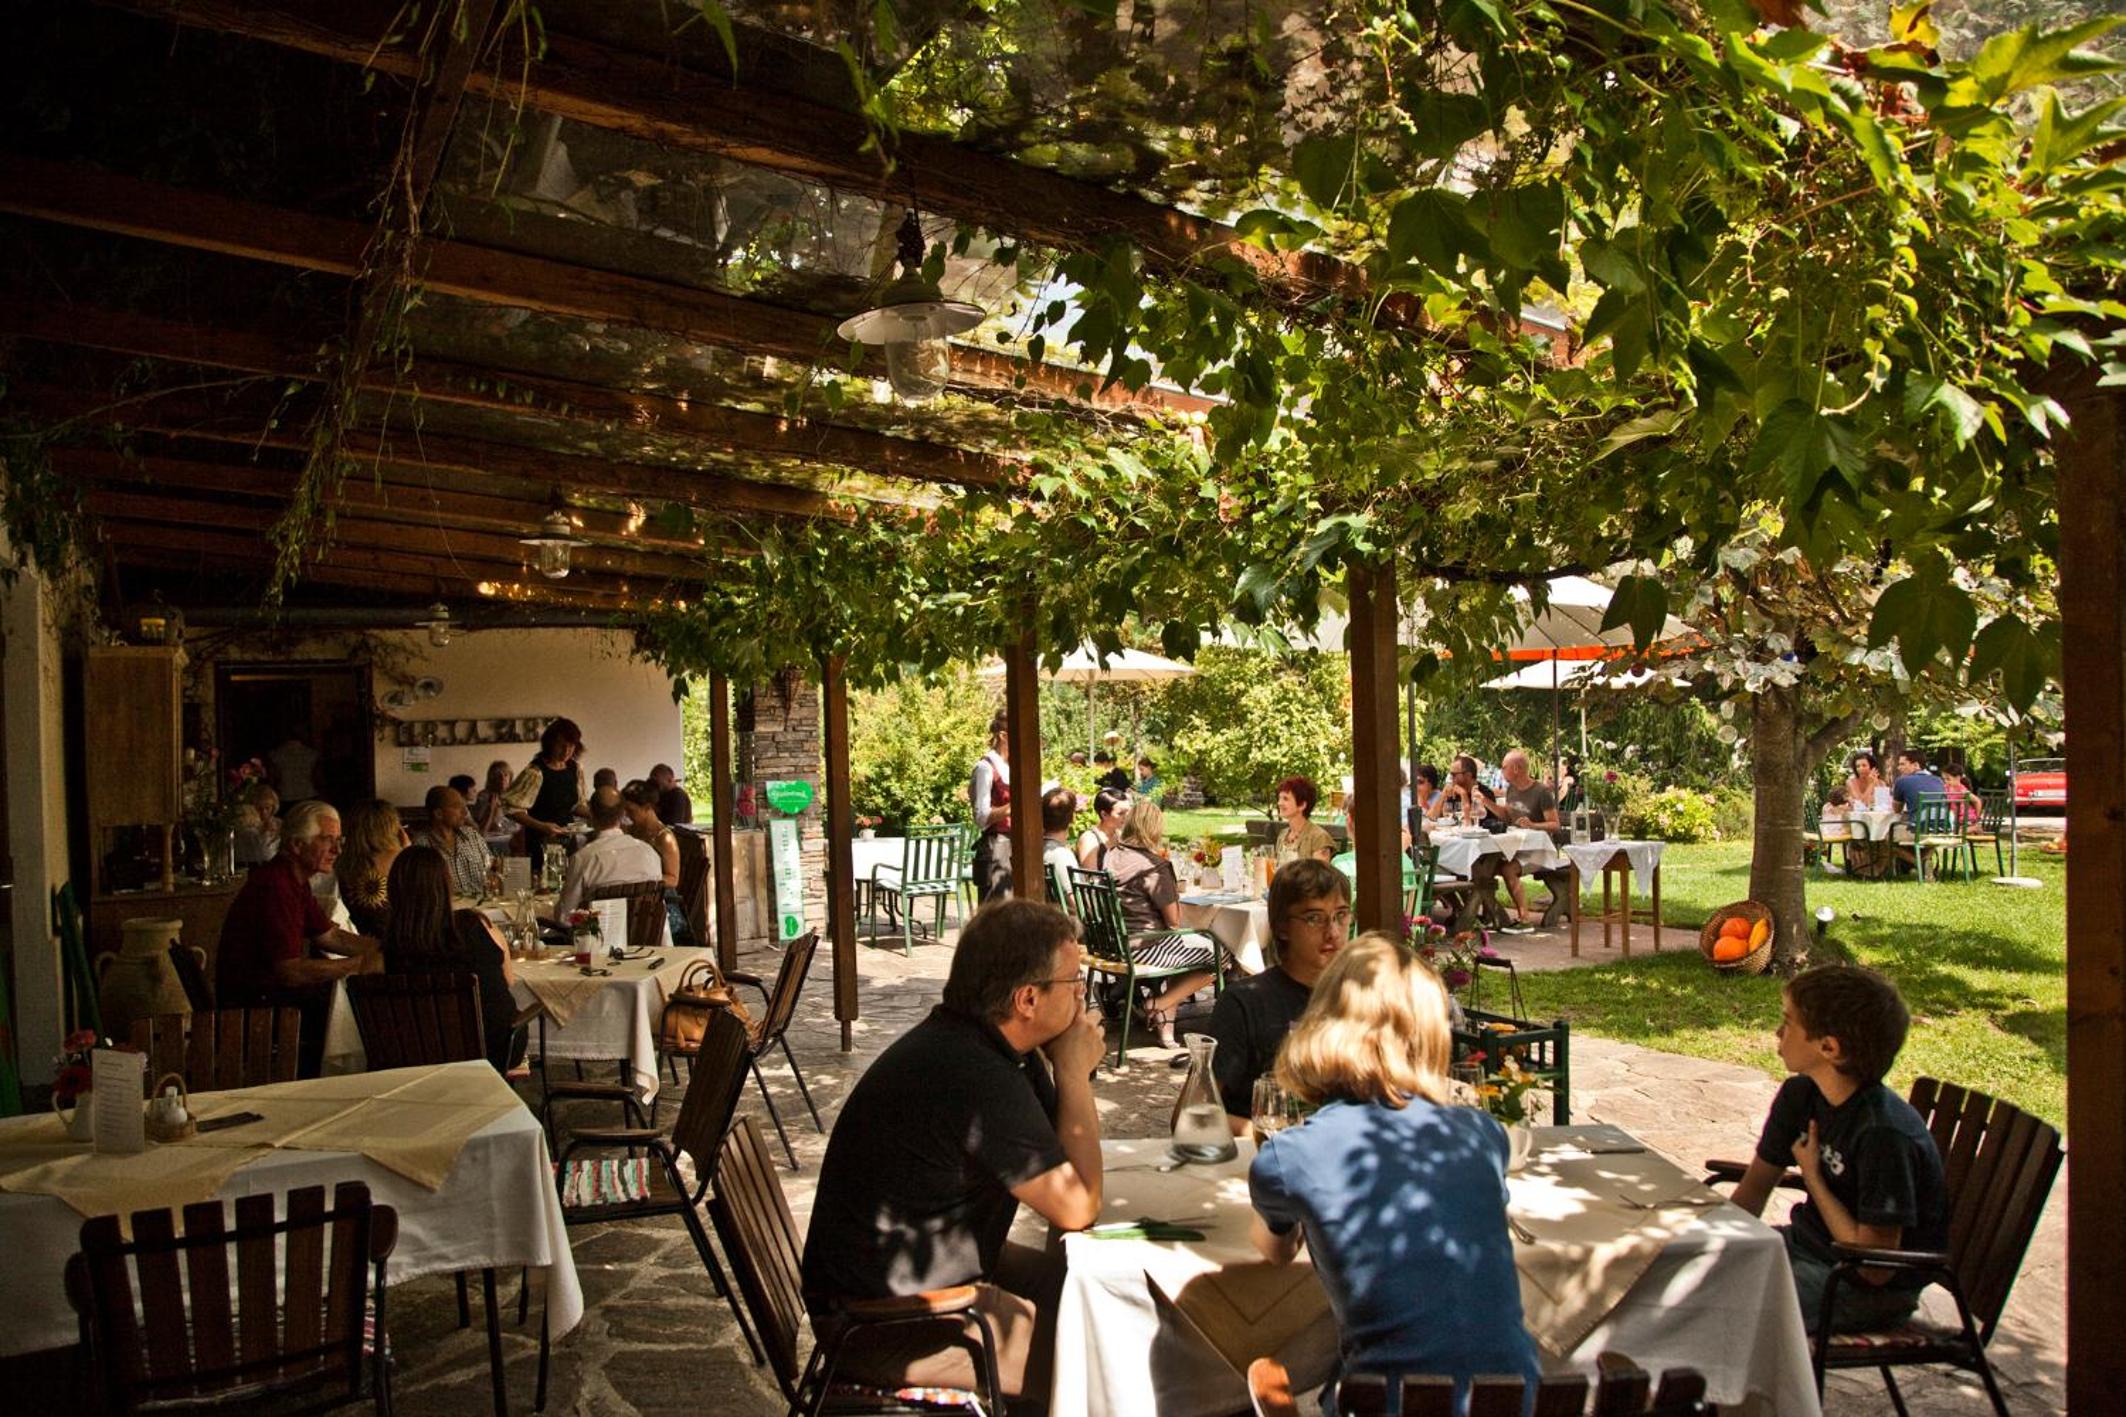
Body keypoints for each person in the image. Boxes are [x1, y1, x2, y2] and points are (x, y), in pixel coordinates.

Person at [801, 899, 1105, 1404]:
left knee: (1095, 1295)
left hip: (914, 1280)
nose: (1082, 995)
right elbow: (1077, 1206)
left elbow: (1062, 1155)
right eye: (1075, 982)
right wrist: (1074, 1073)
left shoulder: (989, 1046)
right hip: (886, 1323)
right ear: (1028, 999)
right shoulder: (977, 1076)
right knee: (1102, 1361)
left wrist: (1063, 1065)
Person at [1249, 935, 1542, 1406]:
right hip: (1511, 1401)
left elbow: (1276, 1251)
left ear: (1321, 1023)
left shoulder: (1290, 1156)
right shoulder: (1482, 1133)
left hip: (1382, 1402)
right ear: (1431, 1034)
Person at [1729, 966, 1949, 1334]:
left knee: (1715, 1306)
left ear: (1829, 1048)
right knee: (1678, 1275)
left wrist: (1813, 1178)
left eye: (1788, 1022)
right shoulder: (1801, 1096)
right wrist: (1707, 1243)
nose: (1778, 1032)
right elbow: (1753, 1190)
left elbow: (1874, 1268)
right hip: (1803, 1250)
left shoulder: (1883, 1135)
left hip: (1862, 1289)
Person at [217, 801, 382, 1076]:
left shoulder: (294, 879)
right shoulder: (275, 885)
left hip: (271, 1000)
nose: (337, 850)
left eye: (339, 840)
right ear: (296, 845)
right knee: (365, 1007)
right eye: (327, 840)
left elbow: (329, 935)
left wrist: (386, 948)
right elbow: (289, 971)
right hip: (256, 1010)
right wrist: (361, 965)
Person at [1203, 859, 1349, 1136]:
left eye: (1341, 915)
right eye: (1314, 918)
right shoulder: (1245, 1003)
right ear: (1282, 927)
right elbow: (1192, 1112)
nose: (1333, 932)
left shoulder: (1361, 997)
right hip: (1270, 1152)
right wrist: (1270, 1135)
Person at [379, 845, 522, 1075]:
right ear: (446, 885)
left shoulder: (389, 950)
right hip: (493, 1052)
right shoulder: (477, 926)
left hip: (418, 1055)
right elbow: (509, 980)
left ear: (394, 891)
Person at [1102, 799, 1222, 1050]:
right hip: (1145, 945)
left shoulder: (1111, 855)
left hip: (1113, 943)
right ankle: (1157, 1004)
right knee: (1221, 955)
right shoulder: (1153, 866)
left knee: (1187, 949)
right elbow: (1174, 921)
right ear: (1154, 829)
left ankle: (1166, 1026)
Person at [555, 786, 672, 946]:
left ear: (591, 814)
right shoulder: (649, 853)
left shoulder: (584, 858)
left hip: (598, 949)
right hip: (645, 946)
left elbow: (565, 918)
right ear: (623, 814)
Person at [621, 778, 695, 947]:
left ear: (647, 808)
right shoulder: (632, 830)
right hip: (637, 896)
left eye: (631, 810)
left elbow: (673, 879)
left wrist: (643, 880)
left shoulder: (664, 838)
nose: (627, 815)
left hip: (661, 902)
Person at [1496, 749, 1566, 928]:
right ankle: (1492, 913)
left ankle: (1524, 918)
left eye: (1504, 767)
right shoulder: (1511, 789)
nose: (1501, 770)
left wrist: (1533, 824)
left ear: (1516, 768)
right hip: (1518, 846)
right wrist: (1485, 802)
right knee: (1488, 865)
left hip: (1540, 850)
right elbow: (1507, 817)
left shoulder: (1541, 792)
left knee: (1507, 870)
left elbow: (1555, 825)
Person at [504, 718, 589, 853]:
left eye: (571, 746)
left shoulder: (575, 769)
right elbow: (512, 809)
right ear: (550, 743)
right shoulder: (535, 772)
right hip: (541, 839)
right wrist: (541, 826)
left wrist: (595, 815)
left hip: (567, 838)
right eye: (561, 746)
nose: (566, 751)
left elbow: (575, 805)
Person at [335, 799, 408, 939]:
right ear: (391, 827)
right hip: (397, 940)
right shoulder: (400, 859)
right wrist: (407, 851)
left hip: (354, 940)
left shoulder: (343, 862)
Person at [413, 784, 497, 901]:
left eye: (464, 806)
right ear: (439, 814)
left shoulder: (472, 836)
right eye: (457, 807)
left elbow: (492, 868)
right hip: (447, 908)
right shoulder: (422, 845)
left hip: (482, 905)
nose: (465, 812)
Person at [970, 713, 1014, 903]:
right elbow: (981, 817)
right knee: (999, 908)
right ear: (1003, 736)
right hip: (997, 846)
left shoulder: (1011, 766)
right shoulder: (985, 768)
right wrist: (1015, 806)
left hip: (1017, 845)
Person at [1273, 775, 1335, 866]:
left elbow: (1319, 873)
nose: (1279, 803)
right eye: (1279, 798)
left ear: (1302, 805)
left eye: (1285, 799)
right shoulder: (1283, 835)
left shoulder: (1319, 838)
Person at [1040, 786, 1081, 906]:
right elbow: (1075, 901)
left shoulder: (1034, 848)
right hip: (1061, 916)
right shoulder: (1062, 855)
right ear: (1073, 818)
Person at [1076, 787, 1129, 870]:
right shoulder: (1090, 840)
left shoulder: (1119, 834)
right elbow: (1091, 875)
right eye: (1121, 813)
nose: (1127, 816)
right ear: (1104, 814)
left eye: (1128, 811)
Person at [1890, 749, 1946, 825]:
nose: (1898, 767)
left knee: (1891, 829)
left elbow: (1897, 810)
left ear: (1916, 765)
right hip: (1943, 827)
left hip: (1919, 828)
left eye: (1902, 764)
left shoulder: (1902, 781)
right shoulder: (1939, 780)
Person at [232, 781, 281, 868]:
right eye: (259, 808)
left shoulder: (278, 823)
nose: (264, 812)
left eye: (267, 808)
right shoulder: (245, 825)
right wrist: (264, 831)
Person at [266, 731, 319, 803]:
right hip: (308, 793)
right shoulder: (312, 753)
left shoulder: (276, 754)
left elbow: (272, 777)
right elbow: (316, 777)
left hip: (285, 795)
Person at [473, 759, 514, 838]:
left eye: (505, 775)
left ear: (510, 777)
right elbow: (479, 825)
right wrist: (492, 809)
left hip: (512, 837)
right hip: (491, 837)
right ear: (492, 778)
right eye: (498, 775)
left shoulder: (515, 795)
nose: (502, 778)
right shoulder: (484, 796)